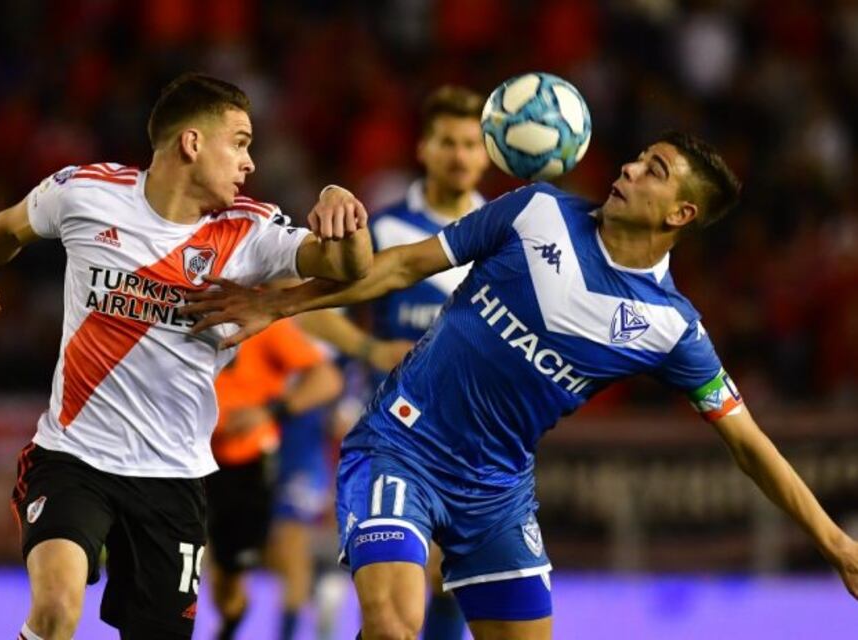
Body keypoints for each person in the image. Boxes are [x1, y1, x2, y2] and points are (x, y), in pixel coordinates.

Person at [182, 131, 858, 640]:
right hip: (399, 447)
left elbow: (747, 442)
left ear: (680, 214)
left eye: (653, 172)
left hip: (496, 493)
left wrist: (837, 546)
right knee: (393, 625)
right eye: (638, 158)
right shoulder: (537, 212)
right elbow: (399, 268)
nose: (626, 169)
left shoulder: (669, 328)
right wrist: (277, 305)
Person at [0, 73, 372, 640]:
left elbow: (351, 267)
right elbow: (10, 226)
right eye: (239, 142)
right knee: (56, 607)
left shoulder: (250, 232)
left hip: (173, 478)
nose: (251, 164)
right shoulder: (86, 193)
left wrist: (342, 205)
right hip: (74, 458)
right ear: (191, 143)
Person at [295, 84, 489, 640]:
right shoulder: (384, 231)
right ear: (424, 149)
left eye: (471, 144)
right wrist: (367, 349)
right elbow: (309, 309)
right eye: (448, 142)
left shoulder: (504, 235)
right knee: (417, 582)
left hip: (474, 441)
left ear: (487, 153)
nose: (460, 156)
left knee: (453, 586)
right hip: (393, 439)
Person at [205, 318, 342, 640]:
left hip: (259, 457)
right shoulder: (180, 309)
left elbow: (329, 379)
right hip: (184, 457)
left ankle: (292, 622)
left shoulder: (268, 319)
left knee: (283, 546)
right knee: (210, 567)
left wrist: (269, 412)